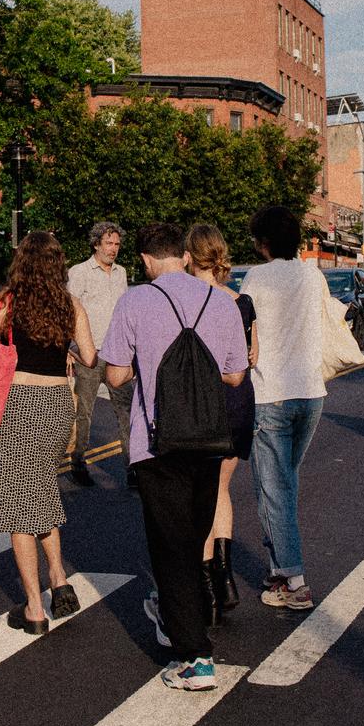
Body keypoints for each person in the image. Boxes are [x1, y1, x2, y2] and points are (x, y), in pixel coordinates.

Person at [102, 223, 247, 691]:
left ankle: (195, 657)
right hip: (208, 439)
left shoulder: (134, 301)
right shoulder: (222, 302)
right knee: (193, 537)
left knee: (172, 549)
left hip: (156, 443)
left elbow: (117, 375)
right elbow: (235, 376)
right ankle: (179, 616)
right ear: (184, 256)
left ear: (145, 260)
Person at [0, 231, 97, 636]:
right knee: (40, 489)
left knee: (17, 507)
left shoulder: (6, 302)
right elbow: (91, 357)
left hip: (19, 402)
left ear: (21, 262)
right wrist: (67, 352)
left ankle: (34, 607)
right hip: (59, 405)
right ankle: (59, 579)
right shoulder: (69, 303)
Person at [238, 205, 326, 611]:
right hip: (311, 393)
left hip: (271, 392)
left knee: (276, 491)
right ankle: (279, 569)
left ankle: (294, 580)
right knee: (285, 485)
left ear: (264, 242)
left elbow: (244, 327)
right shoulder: (312, 273)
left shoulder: (257, 277)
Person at [186, 223, 258, 624]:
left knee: (200, 498)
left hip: (202, 405)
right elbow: (252, 356)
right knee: (222, 491)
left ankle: (208, 589)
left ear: (190, 257)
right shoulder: (241, 301)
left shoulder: (187, 303)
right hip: (238, 403)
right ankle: (225, 578)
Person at [65, 221, 132, 487]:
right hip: (89, 353)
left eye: (116, 244)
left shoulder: (121, 273)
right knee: (84, 411)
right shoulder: (79, 272)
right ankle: (78, 462)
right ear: (96, 244)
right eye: (108, 243)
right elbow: (68, 312)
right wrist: (70, 349)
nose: (113, 249)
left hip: (118, 352)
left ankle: (132, 468)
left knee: (126, 412)